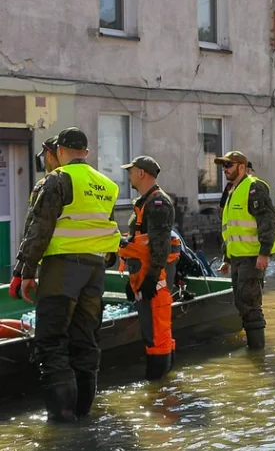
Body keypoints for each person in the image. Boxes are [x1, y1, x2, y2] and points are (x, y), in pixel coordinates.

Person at [16, 128, 120, 422]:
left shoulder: (57, 180)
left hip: (62, 268)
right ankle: (83, 413)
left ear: (60, 151)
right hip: (95, 270)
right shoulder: (107, 185)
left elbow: (39, 228)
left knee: (51, 341)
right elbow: (107, 226)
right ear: (86, 153)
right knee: (86, 340)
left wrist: (24, 271)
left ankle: (62, 420)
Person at [118, 156, 180, 379]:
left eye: (131, 171)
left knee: (156, 332)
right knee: (154, 329)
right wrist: (133, 278)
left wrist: (152, 278)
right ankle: (165, 384)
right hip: (143, 273)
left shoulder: (157, 203)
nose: (129, 175)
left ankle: (158, 388)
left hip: (154, 276)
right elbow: (139, 241)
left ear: (141, 173)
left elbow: (160, 244)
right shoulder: (145, 202)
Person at [215, 150, 275, 350]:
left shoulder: (254, 188)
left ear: (241, 167)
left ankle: (257, 351)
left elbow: (268, 221)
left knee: (250, 304)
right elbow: (231, 229)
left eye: (228, 165)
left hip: (252, 257)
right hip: (238, 257)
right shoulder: (233, 191)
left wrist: (264, 253)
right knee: (241, 303)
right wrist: (227, 258)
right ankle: (253, 348)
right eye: (223, 166)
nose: (224, 170)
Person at [10, 137, 61, 297]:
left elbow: (36, 231)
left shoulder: (49, 185)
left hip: (56, 267)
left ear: (51, 155)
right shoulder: (95, 183)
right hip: (92, 270)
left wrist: (23, 272)